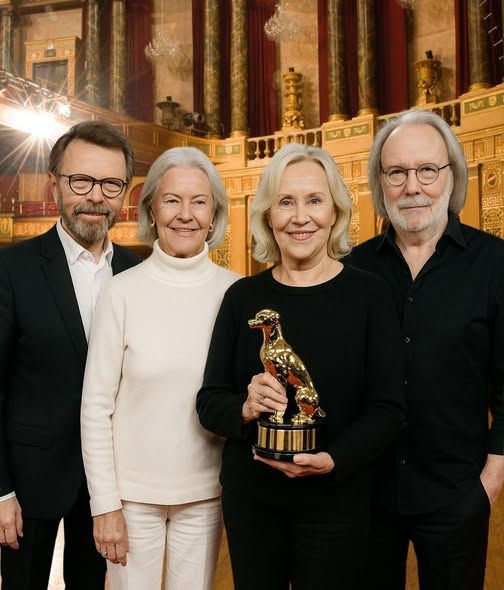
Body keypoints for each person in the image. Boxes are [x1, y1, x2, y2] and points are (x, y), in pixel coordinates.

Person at [196, 144, 405, 590]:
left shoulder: (370, 296)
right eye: (285, 202)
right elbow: (209, 402)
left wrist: (335, 460)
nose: (300, 217)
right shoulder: (241, 298)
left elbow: (388, 408)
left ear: (335, 211)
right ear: (268, 215)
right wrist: (246, 407)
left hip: (338, 500)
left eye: (314, 200)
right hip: (253, 502)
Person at [347, 109, 504, 590]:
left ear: (452, 177)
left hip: (457, 494)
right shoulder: (352, 270)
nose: (412, 187)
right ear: (380, 183)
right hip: (367, 494)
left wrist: (489, 484)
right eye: (397, 172)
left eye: (427, 170)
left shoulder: (495, 263)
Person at [80, 146, 239, 590]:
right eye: (172, 200)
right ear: (151, 209)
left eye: (199, 202)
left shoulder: (237, 293)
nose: (185, 214)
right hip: (130, 499)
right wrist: (105, 504)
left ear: (214, 213)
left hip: (208, 494)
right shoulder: (121, 292)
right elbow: (95, 408)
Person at [0, 120, 140, 590]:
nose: (95, 197)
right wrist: (0, 492)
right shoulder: (11, 269)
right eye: (81, 181)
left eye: (111, 184)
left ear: (125, 192)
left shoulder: (137, 271)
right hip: (28, 485)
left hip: (111, 487)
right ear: (54, 184)